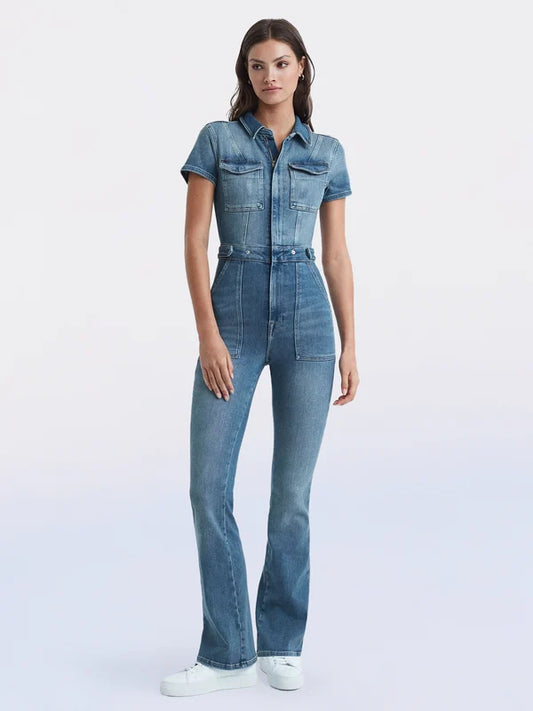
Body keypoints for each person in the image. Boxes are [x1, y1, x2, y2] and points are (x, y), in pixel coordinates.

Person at [160, 18, 360, 697]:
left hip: (308, 320)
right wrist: (208, 334)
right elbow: (193, 241)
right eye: (255, 65)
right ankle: (227, 652)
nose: (268, 75)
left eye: (279, 63)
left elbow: (336, 254)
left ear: (301, 67)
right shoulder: (217, 141)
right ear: (245, 74)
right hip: (234, 317)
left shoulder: (326, 152)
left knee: (292, 497)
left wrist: (350, 343)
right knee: (207, 487)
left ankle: (280, 642)